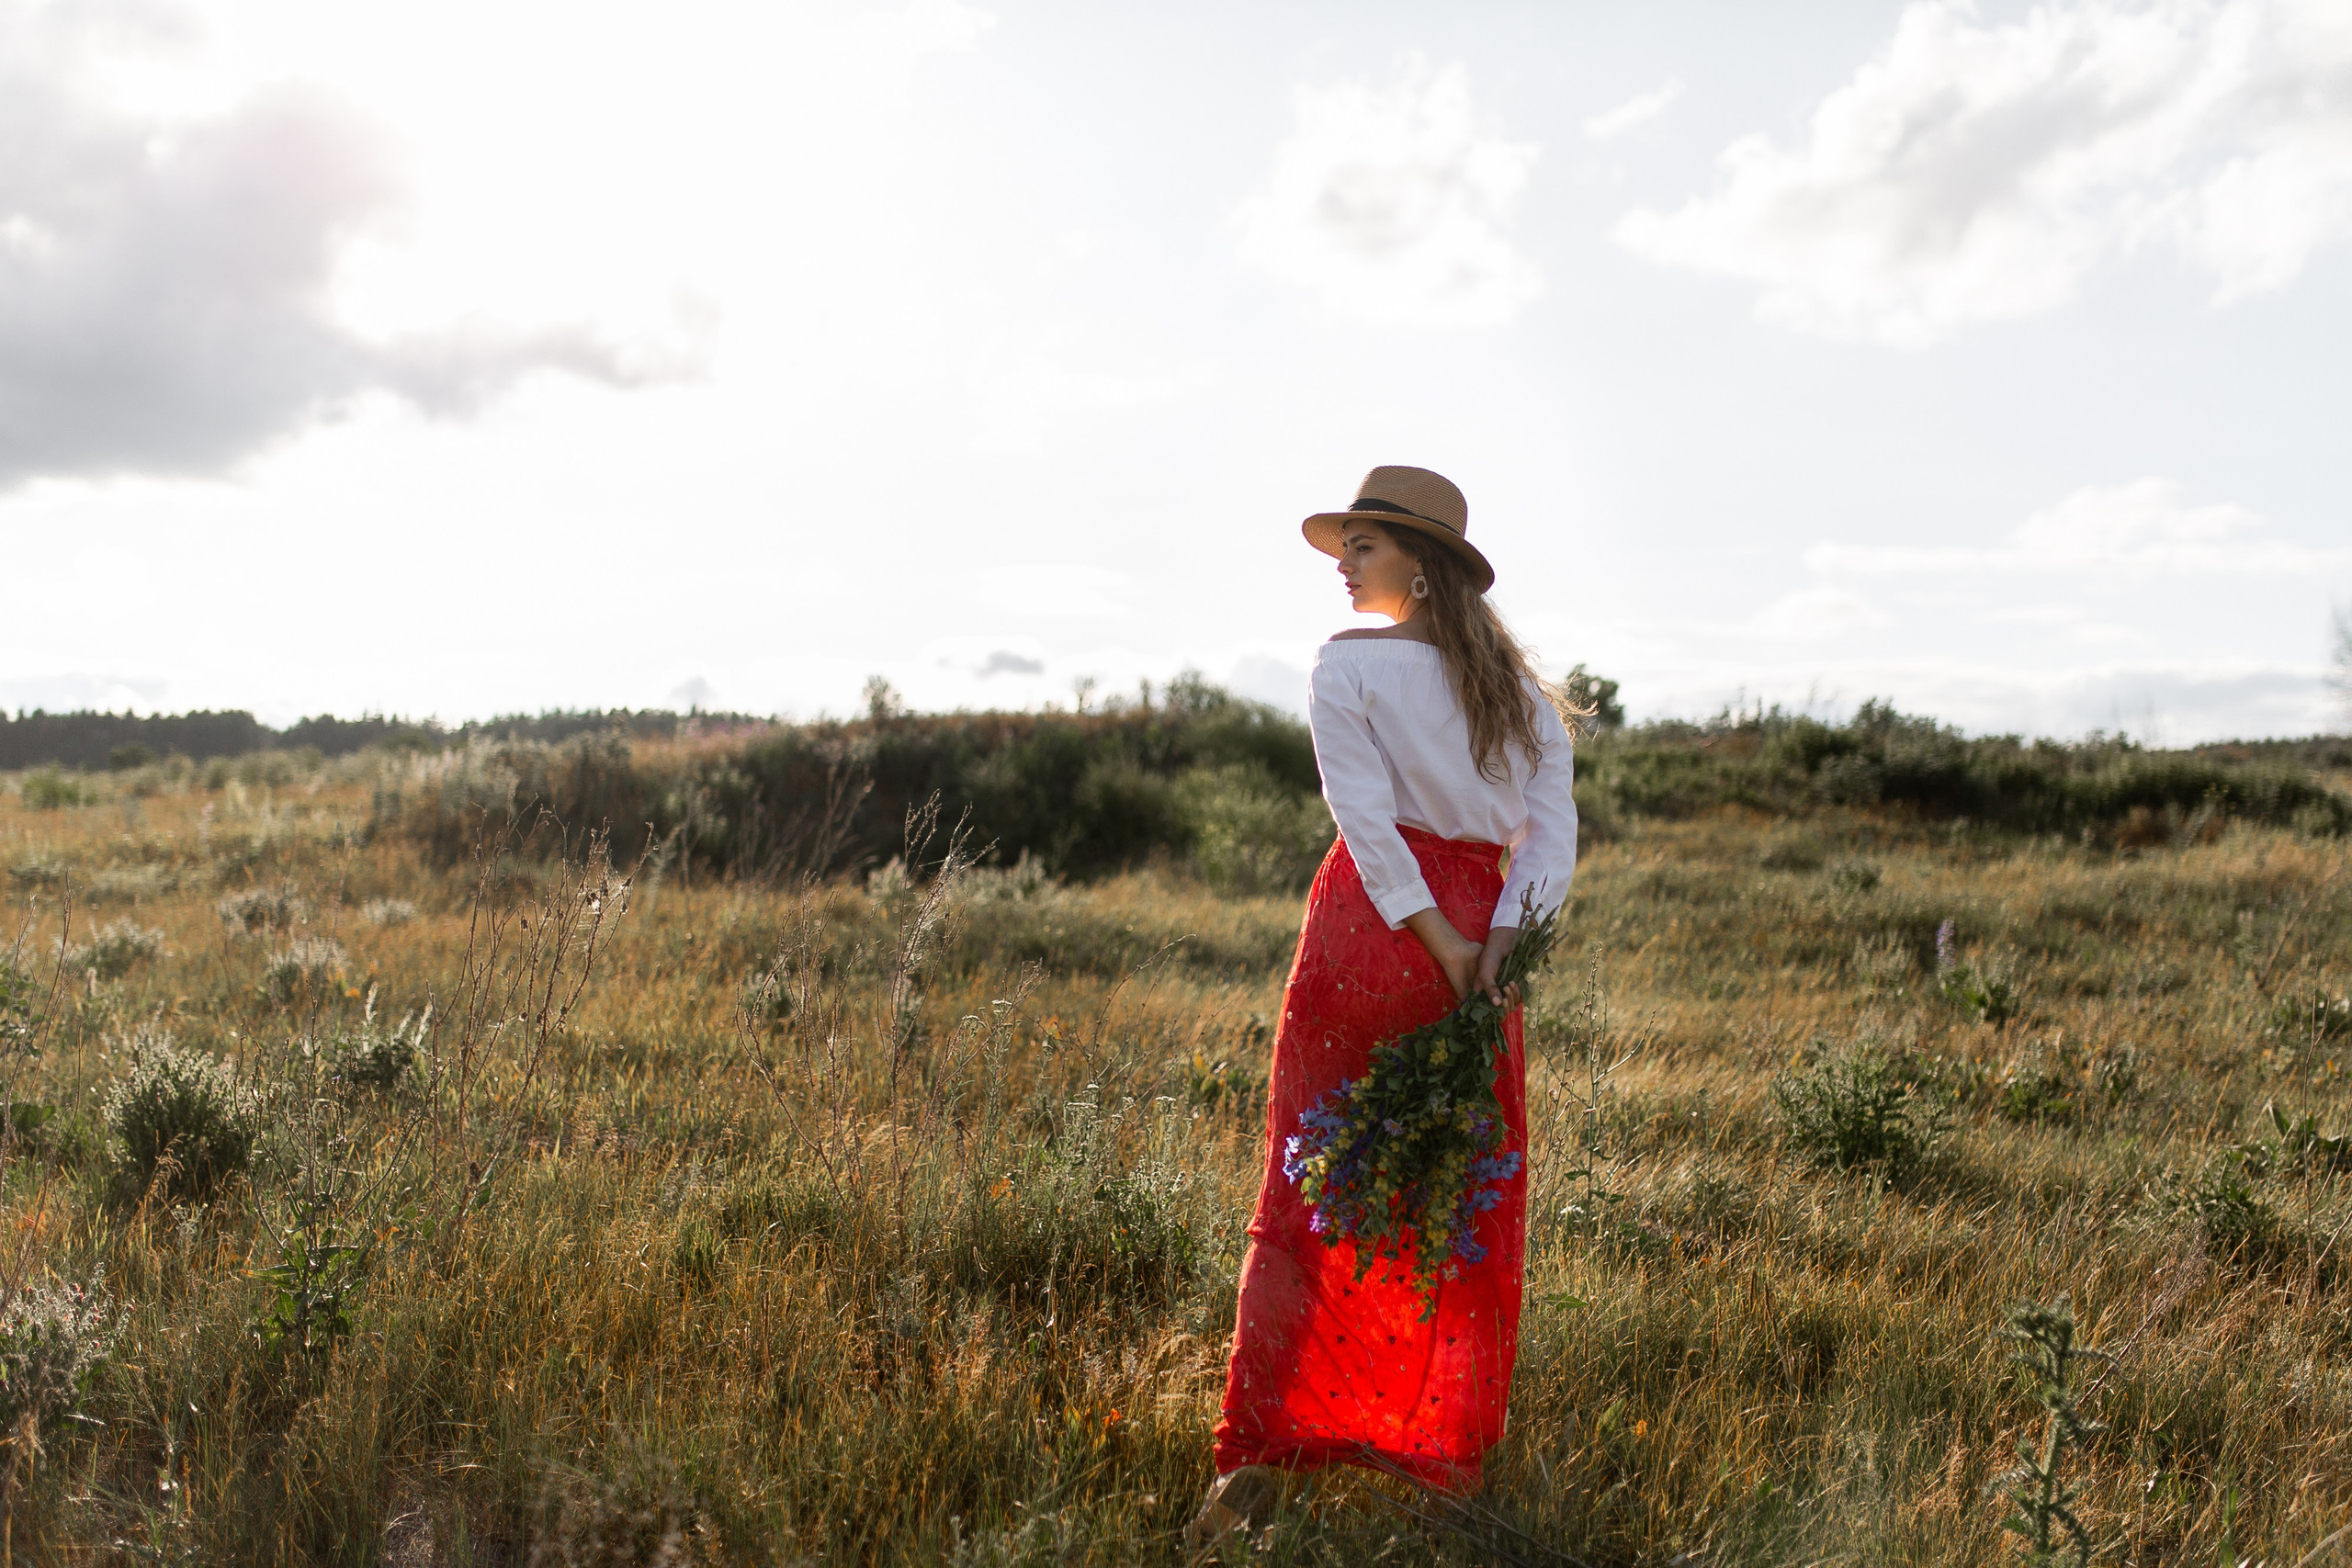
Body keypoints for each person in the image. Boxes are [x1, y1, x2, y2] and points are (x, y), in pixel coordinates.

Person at [1186, 466, 1579, 1550]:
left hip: (1375, 928)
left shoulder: (1344, 669)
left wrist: (1441, 938)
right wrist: (1500, 946)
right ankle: (1431, 1450)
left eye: (1362, 543)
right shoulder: (1520, 693)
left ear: (1420, 562)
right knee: (1454, 1193)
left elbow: (1363, 821)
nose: (1344, 562)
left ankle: (1260, 1455)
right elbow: (1547, 839)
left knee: (1311, 1184)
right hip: (1476, 938)